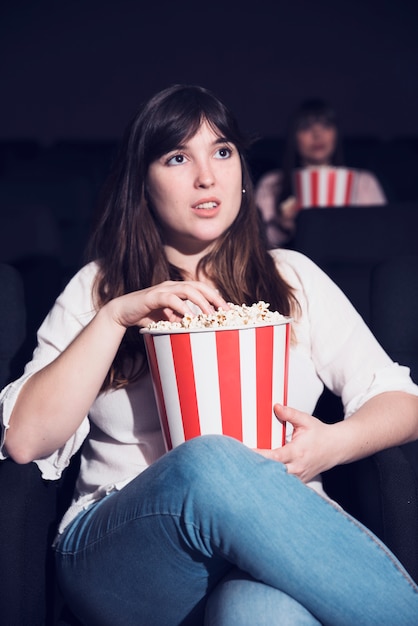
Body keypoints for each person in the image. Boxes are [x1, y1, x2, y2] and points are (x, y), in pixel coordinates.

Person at [1, 84, 418, 626]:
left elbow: (403, 401)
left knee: (258, 612)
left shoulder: (292, 277)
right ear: (142, 184)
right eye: (178, 157)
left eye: (222, 152)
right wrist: (115, 317)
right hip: (125, 554)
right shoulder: (97, 290)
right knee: (208, 458)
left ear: (244, 173)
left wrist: (332, 445)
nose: (207, 176)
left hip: (271, 548)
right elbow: (26, 439)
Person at [255, 99, 387, 247]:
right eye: (306, 128)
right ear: (294, 137)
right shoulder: (273, 183)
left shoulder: (364, 181)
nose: (317, 135)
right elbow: (256, 241)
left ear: (336, 134)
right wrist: (282, 226)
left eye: (326, 125)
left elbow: (382, 234)